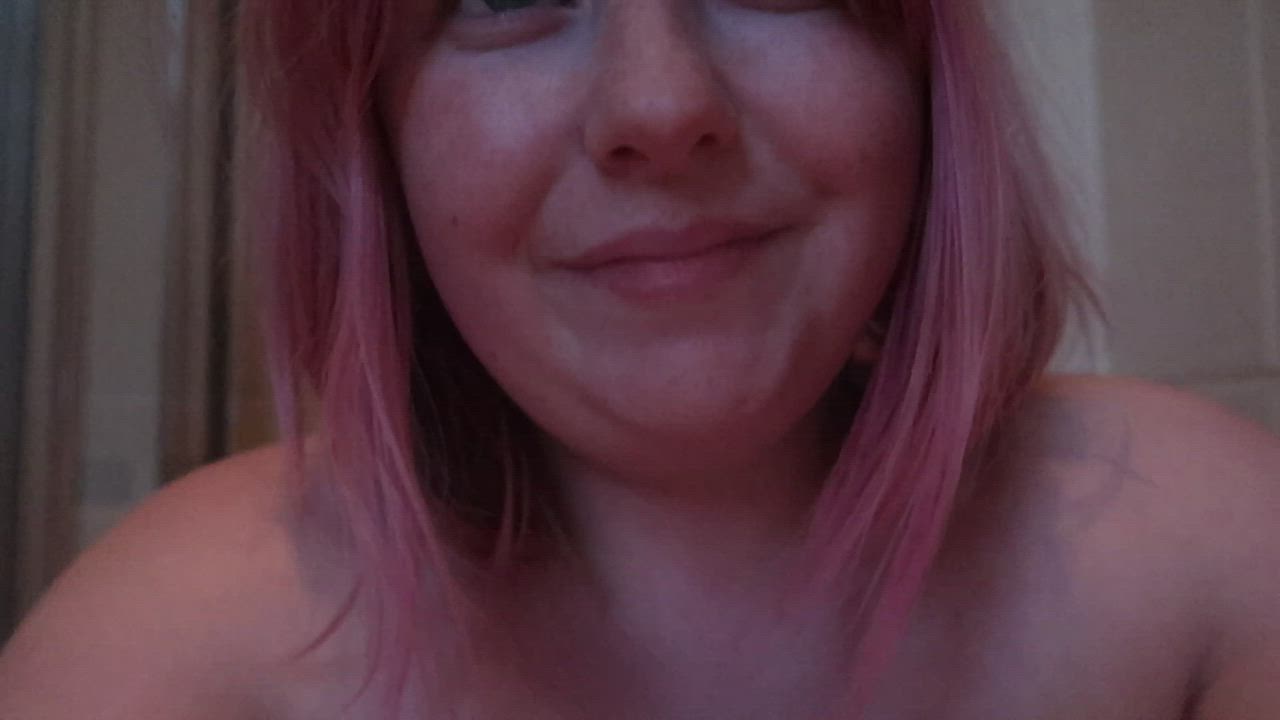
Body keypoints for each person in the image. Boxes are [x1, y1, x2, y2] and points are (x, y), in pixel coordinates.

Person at [2, 1, 1278, 718]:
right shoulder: (172, 646)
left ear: (913, 59)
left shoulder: (1211, 553)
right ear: (373, 126)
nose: (660, 110)